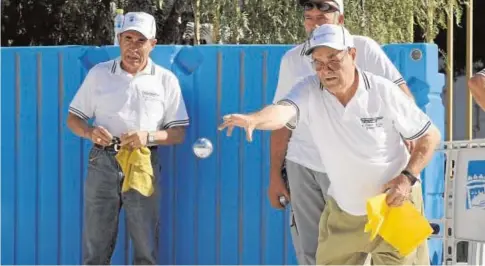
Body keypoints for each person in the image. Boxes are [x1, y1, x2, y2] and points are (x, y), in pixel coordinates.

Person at [219, 24, 441, 265]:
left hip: (393, 207)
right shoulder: (308, 89)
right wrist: (255, 120)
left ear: (352, 55)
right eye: (318, 63)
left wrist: (407, 177)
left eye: (333, 60)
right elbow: (283, 112)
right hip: (345, 213)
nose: (325, 70)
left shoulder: (382, 90)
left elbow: (430, 136)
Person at [269, 0, 418, 264]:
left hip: (358, 167)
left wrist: (408, 167)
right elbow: (281, 119)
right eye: (309, 17)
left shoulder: (364, 48)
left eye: (322, 17)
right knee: (313, 250)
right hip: (306, 165)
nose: (315, 23)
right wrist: (274, 175)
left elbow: (403, 100)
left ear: (341, 19)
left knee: (375, 247)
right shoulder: (292, 60)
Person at [66, 11, 189, 264]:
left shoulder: (166, 80)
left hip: (143, 163)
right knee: (96, 245)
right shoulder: (99, 74)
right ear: (119, 40)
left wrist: (148, 136)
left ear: (153, 45)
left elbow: (178, 133)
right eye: (127, 38)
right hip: (102, 162)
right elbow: (73, 119)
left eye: (140, 41)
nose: (133, 47)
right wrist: (90, 132)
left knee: (145, 247)